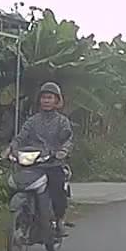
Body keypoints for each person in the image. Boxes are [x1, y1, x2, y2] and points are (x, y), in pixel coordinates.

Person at [8, 81, 74, 232]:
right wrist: (11, 148)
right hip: (33, 164)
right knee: (14, 184)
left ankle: (58, 220)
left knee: (57, 190)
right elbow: (20, 137)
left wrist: (62, 151)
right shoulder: (32, 121)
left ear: (57, 100)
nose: (46, 101)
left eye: (50, 98)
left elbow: (68, 140)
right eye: (44, 97)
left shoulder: (62, 121)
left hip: (53, 163)